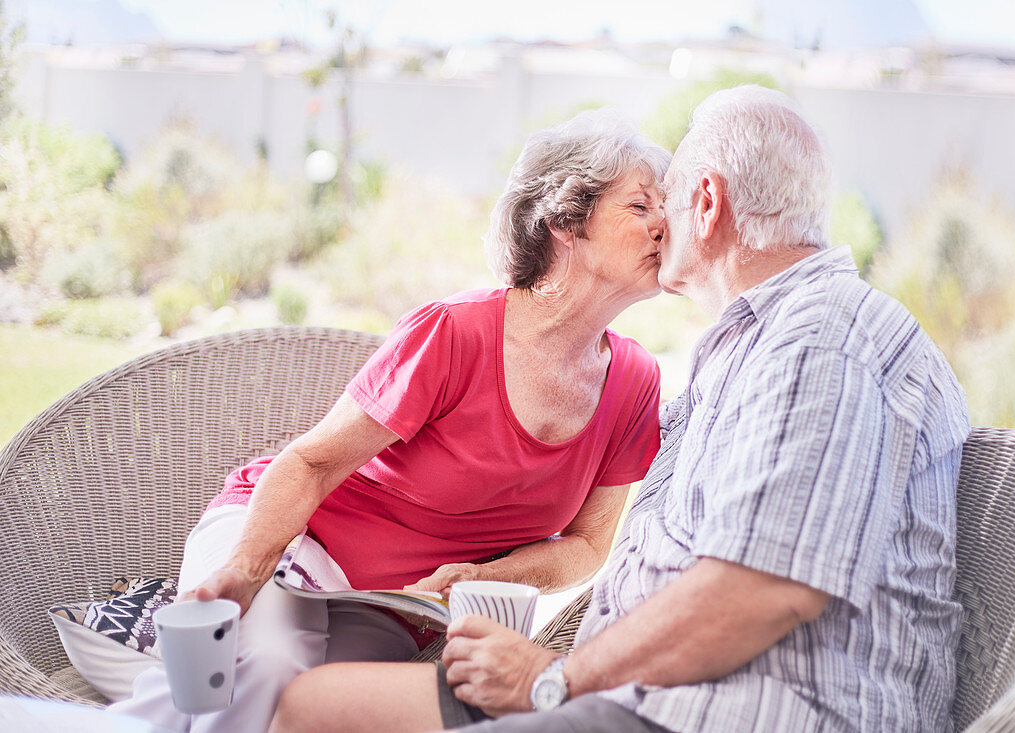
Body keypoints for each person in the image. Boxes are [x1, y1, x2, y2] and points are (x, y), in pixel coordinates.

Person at [269, 85, 972, 733]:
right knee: (312, 707)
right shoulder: (748, 347)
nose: (661, 224)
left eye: (661, 200)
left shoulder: (822, 339)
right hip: (640, 686)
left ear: (707, 202)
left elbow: (762, 591)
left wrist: (553, 676)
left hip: (731, 708)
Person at [108, 109, 671, 733]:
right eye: (641, 206)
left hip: (394, 605)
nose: (663, 226)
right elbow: (312, 462)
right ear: (567, 221)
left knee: (326, 708)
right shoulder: (456, 333)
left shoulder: (635, 381)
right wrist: (243, 572)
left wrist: (485, 576)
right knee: (269, 668)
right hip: (289, 539)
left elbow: (589, 548)